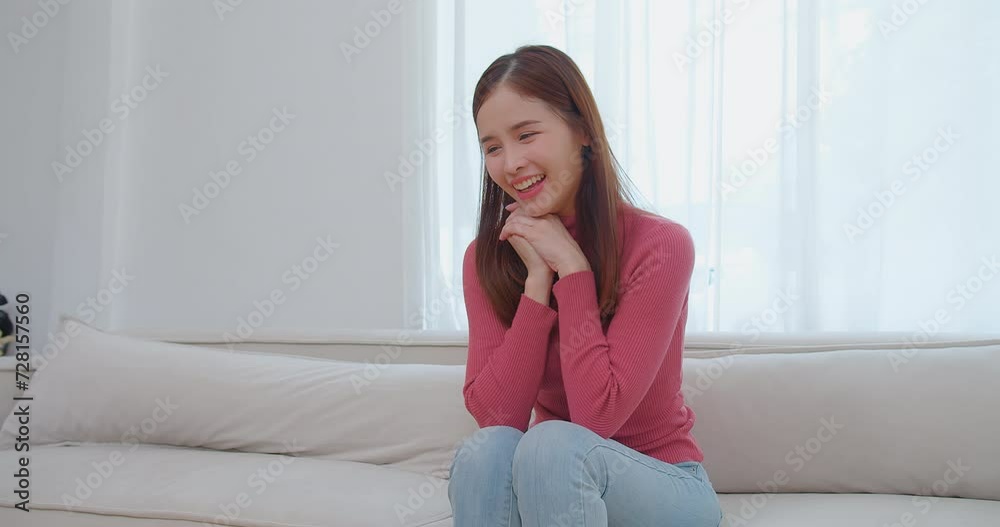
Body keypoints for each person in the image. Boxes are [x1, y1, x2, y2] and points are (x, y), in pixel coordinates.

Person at [447, 44, 724, 527]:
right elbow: (497, 417)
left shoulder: (660, 245)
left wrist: (574, 271)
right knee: (487, 451)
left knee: (554, 443)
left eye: (526, 134)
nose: (510, 163)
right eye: (492, 147)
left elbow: (599, 418)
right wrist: (538, 281)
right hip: (552, 483)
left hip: (663, 484)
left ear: (582, 133)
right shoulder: (486, 259)